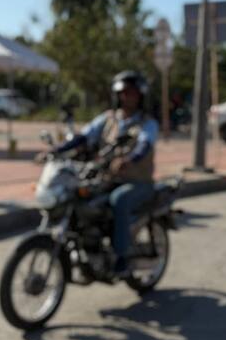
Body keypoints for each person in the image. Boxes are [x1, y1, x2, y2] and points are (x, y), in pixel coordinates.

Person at [50, 71, 158, 277]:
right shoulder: (108, 118)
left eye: (132, 93)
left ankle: (121, 257)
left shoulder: (147, 123)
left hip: (138, 182)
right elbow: (83, 136)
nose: (128, 97)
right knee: (84, 198)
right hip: (108, 179)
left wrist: (128, 160)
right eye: (124, 93)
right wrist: (57, 150)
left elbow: (144, 145)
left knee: (120, 199)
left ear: (141, 96)